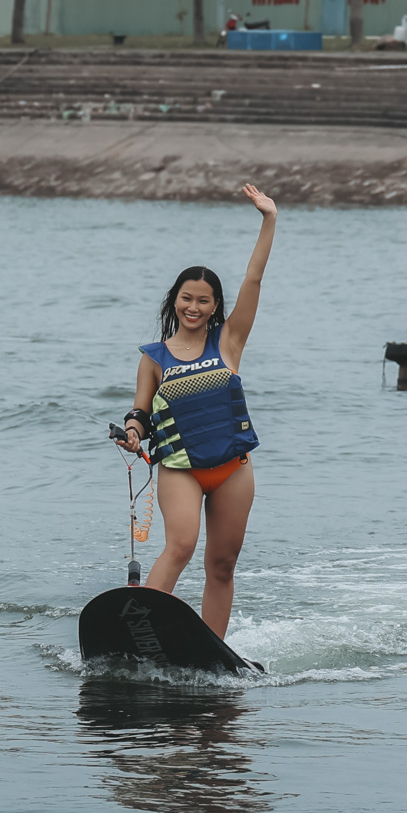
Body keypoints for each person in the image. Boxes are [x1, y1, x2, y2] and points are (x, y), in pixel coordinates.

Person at [116, 184, 277, 638]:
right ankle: (136, 634)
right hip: (181, 469)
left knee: (222, 564)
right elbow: (141, 412)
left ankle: (212, 650)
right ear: (175, 300)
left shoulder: (228, 342)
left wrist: (269, 220)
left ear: (215, 307)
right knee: (181, 545)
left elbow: (254, 280)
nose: (194, 306)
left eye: (203, 300)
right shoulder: (154, 357)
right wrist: (132, 431)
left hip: (232, 469)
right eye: (187, 298)